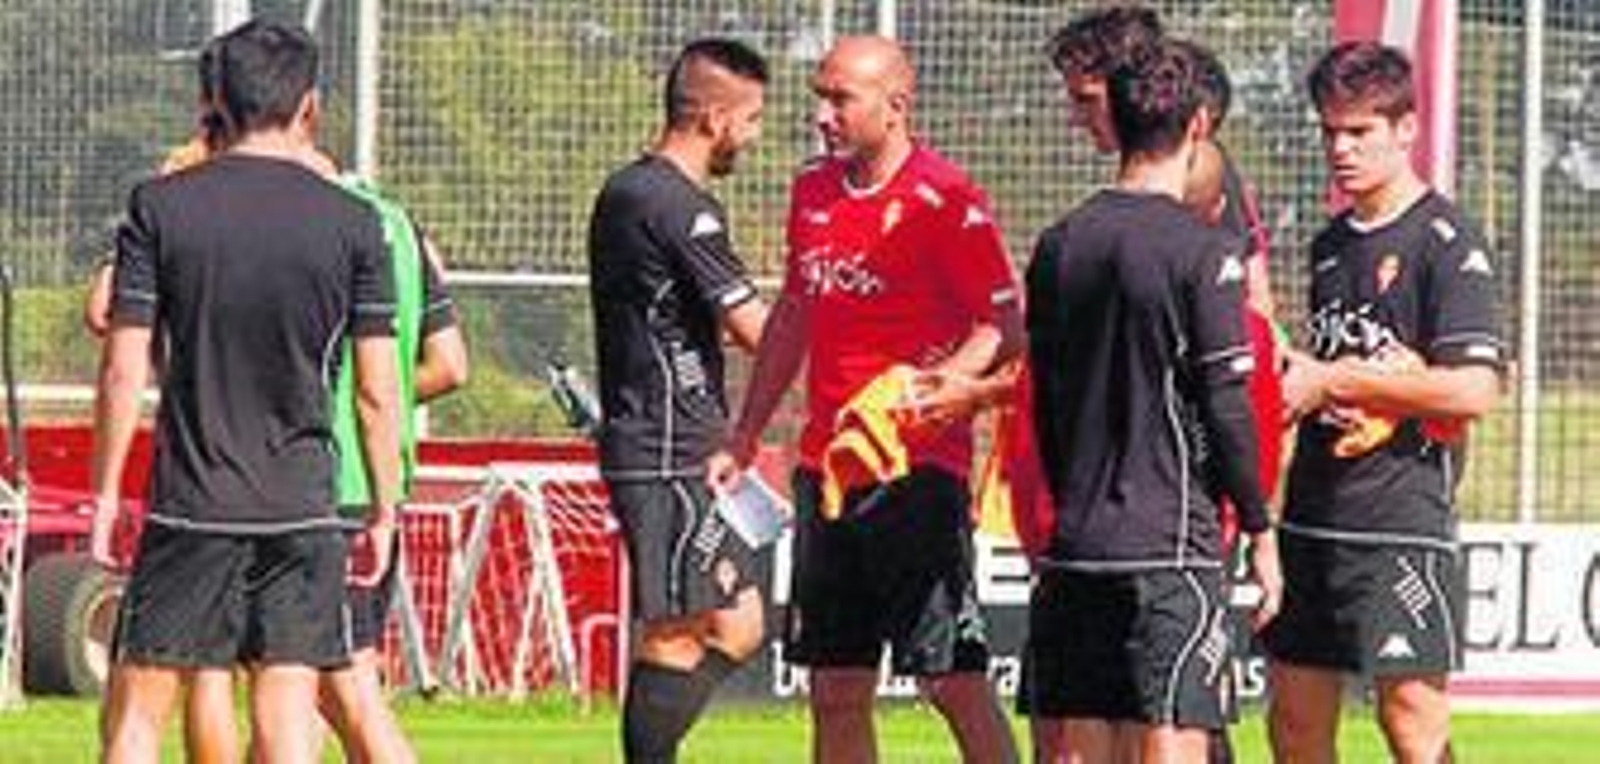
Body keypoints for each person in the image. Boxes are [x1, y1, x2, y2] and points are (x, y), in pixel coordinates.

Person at [89, 20, 403, 764]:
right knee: (287, 717)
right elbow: (377, 391)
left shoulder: (160, 208)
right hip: (304, 505)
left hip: (192, 503)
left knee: (137, 714)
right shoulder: (356, 224)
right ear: (310, 108)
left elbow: (123, 368)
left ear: (215, 104)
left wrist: (106, 496)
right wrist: (386, 508)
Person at [709, 35, 1022, 764]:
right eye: (820, 95)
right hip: (829, 474)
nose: (823, 114)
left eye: (840, 98)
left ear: (896, 104)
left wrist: (945, 385)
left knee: (951, 679)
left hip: (916, 472)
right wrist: (747, 430)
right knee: (835, 686)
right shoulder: (812, 191)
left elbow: (1003, 321)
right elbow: (793, 313)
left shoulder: (945, 198)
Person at [1020, 38, 1282, 764]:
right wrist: (1260, 531)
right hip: (1169, 544)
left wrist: (1070, 502)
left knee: (1088, 745)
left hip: (1075, 545)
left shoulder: (1058, 244)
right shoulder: (1203, 253)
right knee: (1170, 737)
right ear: (1199, 126)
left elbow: (1044, 400)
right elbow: (1225, 404)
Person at [1264, 41, 1503, 764]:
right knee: (1295, 726)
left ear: (1406, 129)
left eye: (1360, 130)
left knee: (1411, 725)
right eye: (1330, 130)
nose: (1341, 147)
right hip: (1311, 516)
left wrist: (1339, 381)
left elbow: (1475, 389)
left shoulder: (1446, 240)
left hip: (1400, 522)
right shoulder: (1330, 246)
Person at [587, 38, 770, 763]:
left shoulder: (638, 191)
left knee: (741, 621)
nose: (754, 137)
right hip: (663, 447)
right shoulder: (670, 202)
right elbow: (753, 326)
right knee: (676, 628)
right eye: (752, 120)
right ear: (715, 117)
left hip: (687, 443)